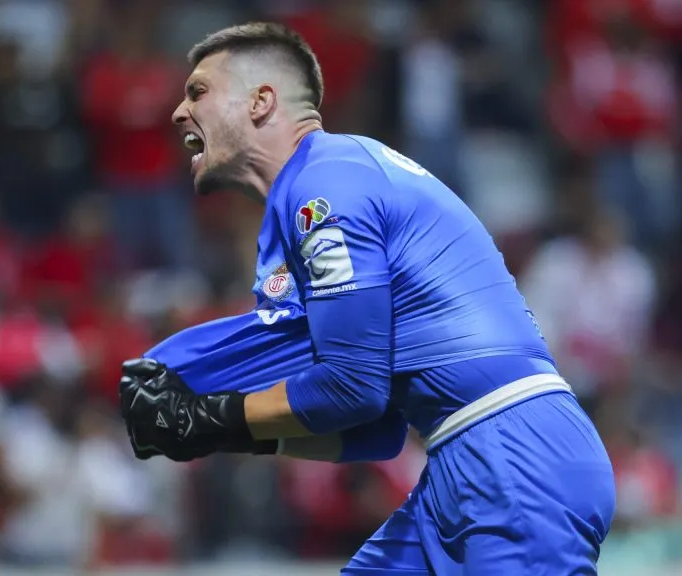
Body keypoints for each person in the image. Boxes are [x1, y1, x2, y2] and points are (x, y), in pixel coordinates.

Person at [117, 22, 616, 575]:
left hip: (512, 456)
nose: (178, 112)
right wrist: (219, 428)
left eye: (198, 92)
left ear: (260, 102)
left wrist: (213, 415)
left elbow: (351, 386)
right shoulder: (320, 187)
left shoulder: (324, 190)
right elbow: (374, 428)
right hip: (468, 460)